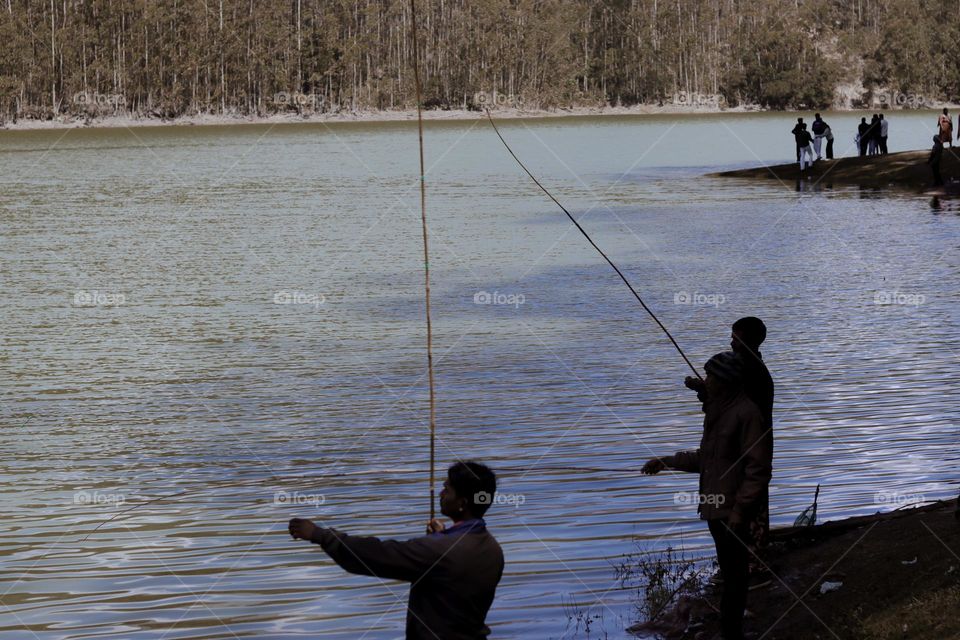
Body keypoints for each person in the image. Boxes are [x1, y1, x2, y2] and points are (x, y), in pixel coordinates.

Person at [288, 461, 505, 640]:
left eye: (447, 489)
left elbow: (376, 555)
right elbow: (451, 577)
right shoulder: (492, 548)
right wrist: (443, 537)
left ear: (462, 503)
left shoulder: (439, 551)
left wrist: (319, 535)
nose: (441, 493)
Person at [644, 352, 773, 640]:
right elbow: (706, 459)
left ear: (726, 381)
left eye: (711, 377)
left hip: (733, 513)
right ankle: (730, 631)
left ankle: (731, 633)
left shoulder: (747, 414)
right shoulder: (720, 413)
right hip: (715, 511)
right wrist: (665, 462)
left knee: (736, 577)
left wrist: (740, 514)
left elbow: (758, 470)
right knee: (730, 574)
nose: (707, 381)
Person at [684, 317, 774, 554]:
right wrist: (705, 390)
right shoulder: (747, 367)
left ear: (748, 340)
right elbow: (724, 401)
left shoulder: (751, 371)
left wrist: (707, 392)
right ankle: (743, 564)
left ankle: (754, 566)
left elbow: (730, 405)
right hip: (738, 449)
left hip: (747, 448)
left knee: (752, 502)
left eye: (736, 338)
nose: (732, 343)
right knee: (747, 503)